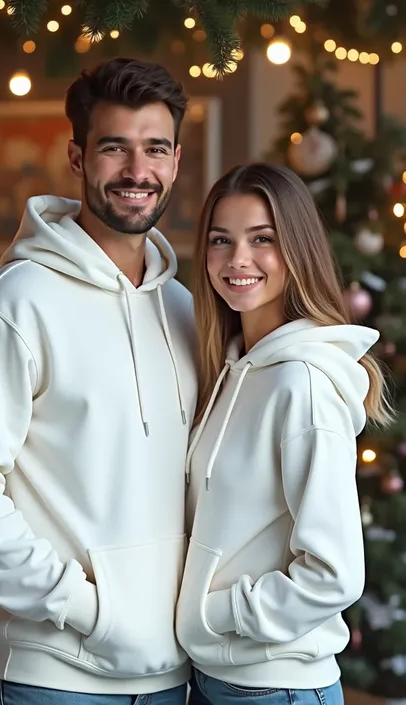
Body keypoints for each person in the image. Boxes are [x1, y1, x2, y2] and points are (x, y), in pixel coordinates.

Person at [0, 58, 198, 705]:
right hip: (52, 678)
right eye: (115, 148)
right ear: (77, 158)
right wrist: (85, 608)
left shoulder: (186, 309)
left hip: (171, 678)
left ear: (176, 159)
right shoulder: (10, 309)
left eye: (154, 149)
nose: (138, 171)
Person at [176, 163, 393, 705]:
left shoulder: (303, 383)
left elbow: (334, 574)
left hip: (276, 688)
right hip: (215, 678)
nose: (237, 260)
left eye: (262, 239)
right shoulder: (232, 369)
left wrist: (210, 613)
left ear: (296, 250)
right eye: (221, 240)